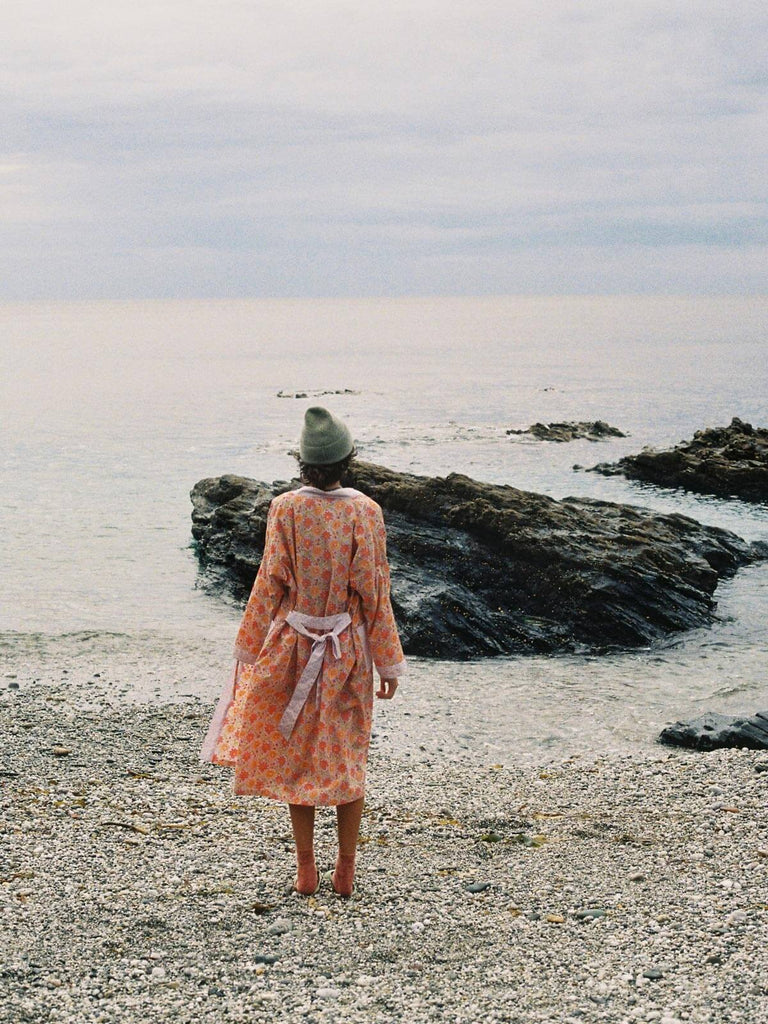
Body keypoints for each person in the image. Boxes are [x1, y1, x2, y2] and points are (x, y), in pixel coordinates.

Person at [200, 407, 406, 897]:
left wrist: (248, 650)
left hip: (293, 645)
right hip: (347, 651)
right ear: (347, 460)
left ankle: (305, 870)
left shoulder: (285, 508)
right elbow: (374, 592)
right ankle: (346, 871)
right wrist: (389, 661)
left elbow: (268, 581)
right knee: (346, 757)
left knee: (298, 761)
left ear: (303, 461)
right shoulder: (365, 512)